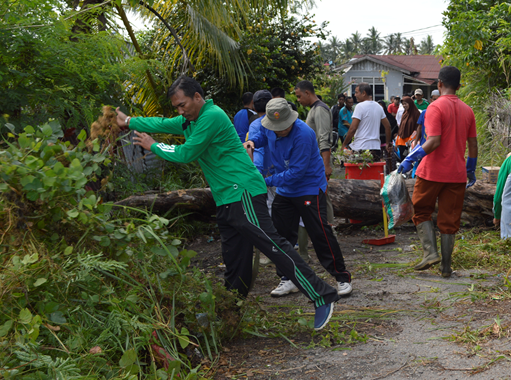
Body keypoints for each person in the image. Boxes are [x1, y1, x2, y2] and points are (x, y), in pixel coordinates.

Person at [116, 76, 337, 330]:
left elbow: (186, 153)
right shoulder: (193, 119)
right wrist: (130, 121)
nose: (180, 110)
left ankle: (323, 295)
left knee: (274, 246)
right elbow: (164, 123)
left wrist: (153, 145)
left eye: (182, 104)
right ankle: (229, 314)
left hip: (242, 191)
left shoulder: (211, 116)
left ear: (197, 97)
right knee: (235, 261)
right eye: (176, 106)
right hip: (226, 198)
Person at [245, 99, 353, 297]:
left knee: (320, 233)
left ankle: (341, 277)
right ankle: (288, 278)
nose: (280, 130)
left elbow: (296, 173)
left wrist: (266, 181)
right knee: (280, 235)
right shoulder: (267, 127)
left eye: (284, 127)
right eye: (276, 127)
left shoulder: (303, 134)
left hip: (308, 187)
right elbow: (262, 137)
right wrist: (253, 142)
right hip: (285, 192)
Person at [397, 66, 477, 278]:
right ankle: (446, 267)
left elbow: (433, 141)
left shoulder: (434, 108)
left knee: (422, 211)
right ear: (459, 86)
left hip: (430, 172)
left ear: (439, 84)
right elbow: (473, 145)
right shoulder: (468, 110)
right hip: (457, 174)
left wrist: (409, 159)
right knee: (449, 220)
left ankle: (430, 252)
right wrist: (470, 169)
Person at [294, 80, 336, 259]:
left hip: (318, 165)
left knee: (322, 204)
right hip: (312, 165)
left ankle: (331, 242)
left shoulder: (320, 110)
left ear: (307, 93)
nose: (298, 100)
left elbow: (323, 138)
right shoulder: (313, 109)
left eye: (298, 96)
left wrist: (326, 165)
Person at [342, 83, 392, 161]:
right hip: (375, 148)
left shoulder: (359, 106)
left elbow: (353, 129)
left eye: (356, 92)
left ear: (364, 93)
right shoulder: (379, 107)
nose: (355, 95)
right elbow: (388, 126)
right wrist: (387, 143)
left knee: (360, 173)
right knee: (373, 172)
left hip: (361, 148)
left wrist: (344, 144)